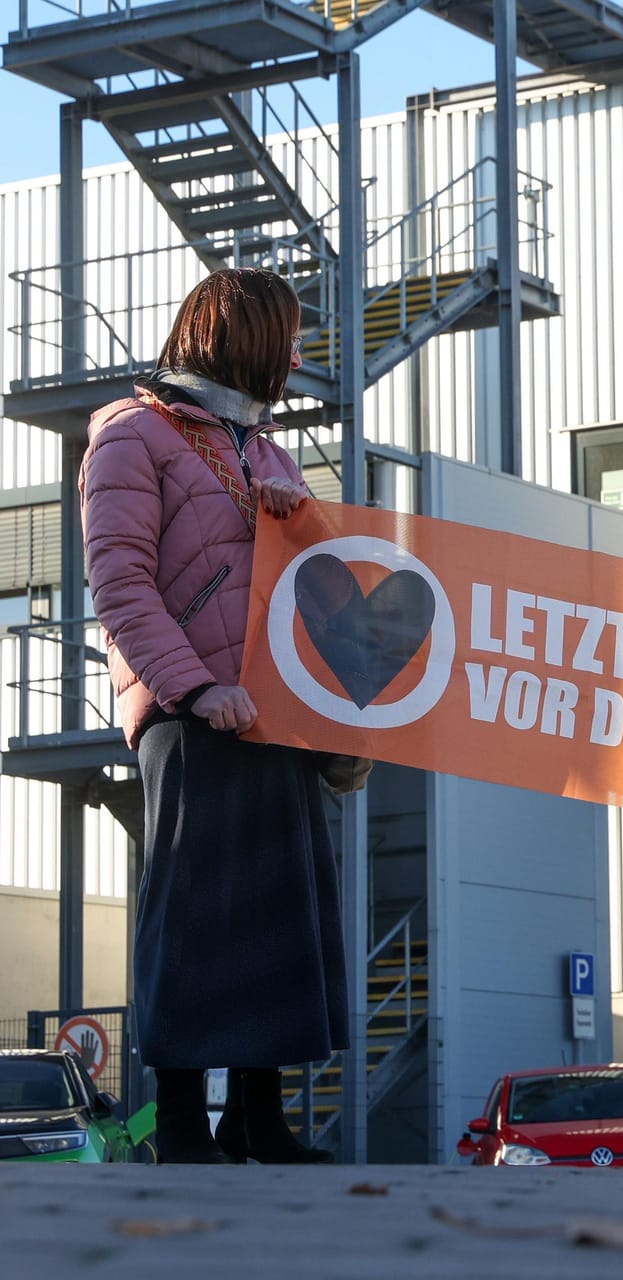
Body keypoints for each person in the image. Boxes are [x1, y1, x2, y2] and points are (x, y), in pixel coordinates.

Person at [81, 268, 347, 1164]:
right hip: (194, 713)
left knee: (281, 911)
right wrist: (195, 689)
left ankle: (258, 1121)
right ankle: (186, 1125)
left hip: (275, 709)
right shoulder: (130, 436)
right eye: (292, 337)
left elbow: (326, 579)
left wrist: (301, 519)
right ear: (248, 340)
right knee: (195, 915)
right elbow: (120, 584)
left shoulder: (265, 448)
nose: (302, 354)